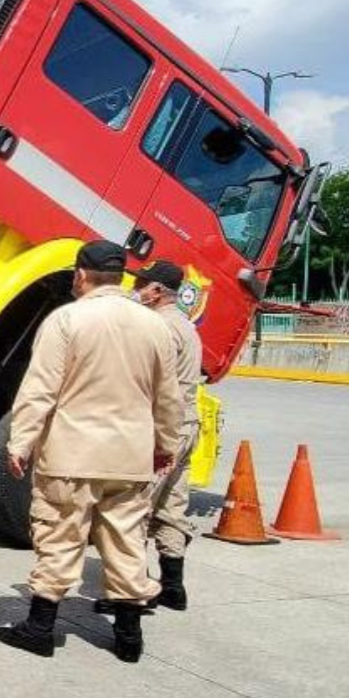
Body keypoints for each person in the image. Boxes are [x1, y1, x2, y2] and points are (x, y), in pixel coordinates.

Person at [0, 240, 181, 662]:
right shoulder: (155, 326)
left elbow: (39, 388)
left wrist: (20, 441)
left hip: (71, 455)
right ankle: (129, 638)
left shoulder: (66, 320)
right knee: (127, 541)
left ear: (80, 274)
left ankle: (40, 630)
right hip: (130, 458)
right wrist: (165, 445)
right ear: (123, 276)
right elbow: (168, 398)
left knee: (59, 537)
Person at [132, 260, 203, 610]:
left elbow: (146, 383)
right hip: (189, 424)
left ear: (158, 291)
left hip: (163, 429)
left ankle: (134, 593)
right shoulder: (186, 325)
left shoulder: (158, 327)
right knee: (172, 507)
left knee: (134, 509)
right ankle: (173, 587)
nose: (137, 289)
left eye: (142, 284)